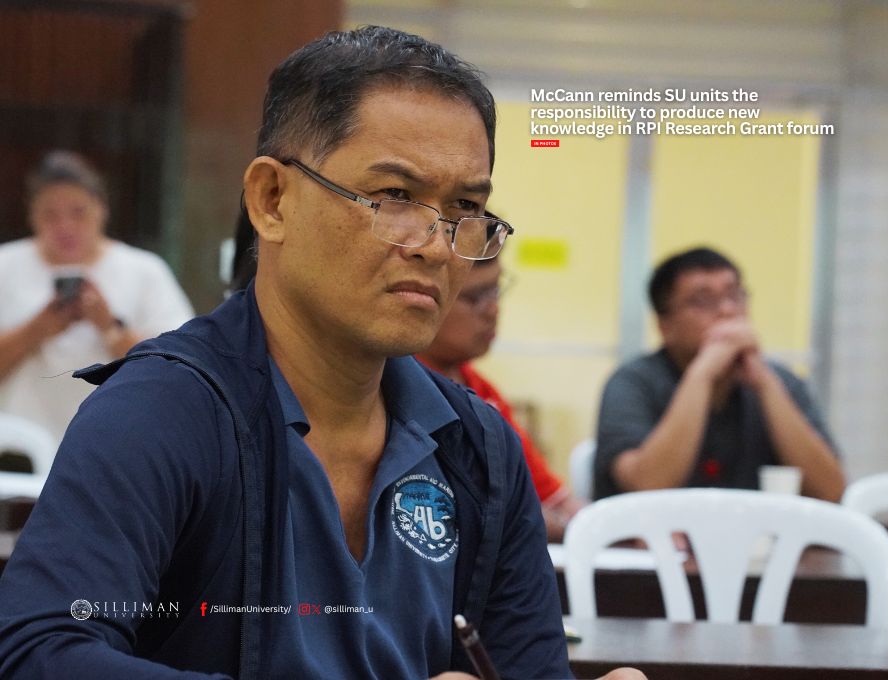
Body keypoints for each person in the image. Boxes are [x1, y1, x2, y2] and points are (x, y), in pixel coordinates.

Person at [0, 27, 643, 680]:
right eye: (395, 197)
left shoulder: (479, 447)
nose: (436, 246)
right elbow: (38, 654)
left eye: (465, 207)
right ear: (271, 200)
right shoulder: (161, 412)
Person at [593, 246, 845, 502]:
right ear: (664, 325)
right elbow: (648, 486)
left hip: (755, 527)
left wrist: (766, 385)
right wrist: (702, 374)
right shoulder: (632, 382)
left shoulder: (779, 381)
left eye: (735, 296)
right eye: (703, 302)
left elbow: (832, 492)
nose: (727, 311)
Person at [0, 151, 194, 443]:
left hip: (117, 442)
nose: (65, 226)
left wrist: (110, 327)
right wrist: (37, 329)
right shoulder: (5, 265)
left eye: (78, 212)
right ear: (32, 215)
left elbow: (180, 368)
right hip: (18, 447)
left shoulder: (144, 271)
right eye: (50, 214)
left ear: (101, 209)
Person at [417, 232, 585, 542]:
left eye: (496, 291)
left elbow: (551, 498)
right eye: (474, 297)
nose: (493, 310)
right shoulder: (402, 393)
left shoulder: (483, 393)